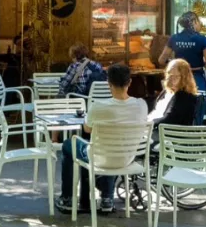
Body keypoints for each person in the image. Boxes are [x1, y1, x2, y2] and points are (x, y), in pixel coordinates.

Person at [56, 63, 147, 215]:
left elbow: (87, 129)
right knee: (113, 144)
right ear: (129, 82)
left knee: (69, 144)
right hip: (126, 158)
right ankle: (107, 199)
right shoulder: (141, 105)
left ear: (108, 84)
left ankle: (67, 198)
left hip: (100, 158)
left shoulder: (98, 106)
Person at [159, 12, 206, 92]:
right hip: (196, 79)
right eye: (198, 21)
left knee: (179, 103)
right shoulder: (202, 39)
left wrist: (174, 63)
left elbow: (161, 60)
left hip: (178, 80)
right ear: (194, 22)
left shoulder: (174, 38)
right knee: (198, 103)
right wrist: (201, 67)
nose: (200, 24)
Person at [149, 59, 199, 129]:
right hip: (155, 128)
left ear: (184, 78)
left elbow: (169, 120)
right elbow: (154, 110)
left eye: (176, 76)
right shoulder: (166, 91)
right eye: (169, 74)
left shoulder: (184, 96)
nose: (171, 79)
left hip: (171, 134)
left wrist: (148, 123)